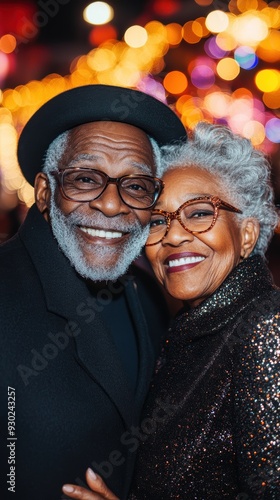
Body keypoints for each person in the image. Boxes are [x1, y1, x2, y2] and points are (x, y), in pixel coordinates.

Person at [62, 121, 280, 499]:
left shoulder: (265, 326)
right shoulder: (187, 331)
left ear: (247, 234)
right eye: (159, 221)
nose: (174, 235)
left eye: (199, 213)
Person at [0, 84, 187, 500]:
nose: (111, 206)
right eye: (86, 179)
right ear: (45, 193)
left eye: (136, 186)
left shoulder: (153, 295)